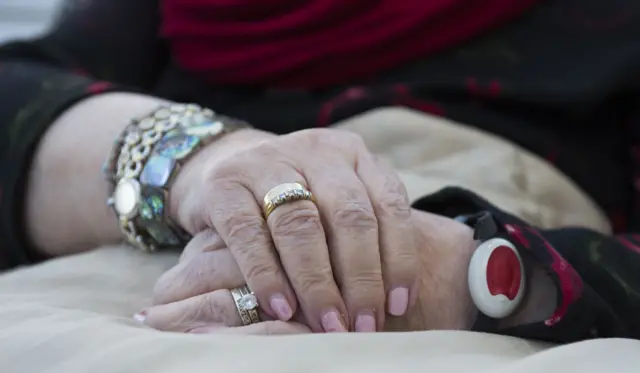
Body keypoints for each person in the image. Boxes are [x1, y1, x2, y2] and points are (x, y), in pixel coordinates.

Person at [0, 0, 638, 340]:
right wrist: (202, 158)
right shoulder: (179, 13)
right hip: (140, 275)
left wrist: (467, 276)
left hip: (480, 329)